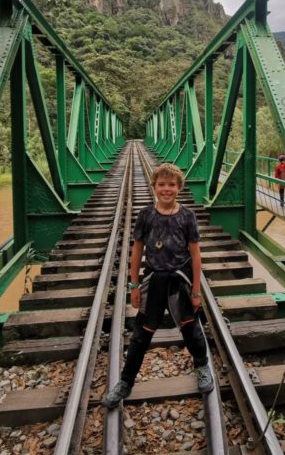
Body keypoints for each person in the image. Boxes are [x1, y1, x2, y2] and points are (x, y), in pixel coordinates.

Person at [101, 163, 214, 408]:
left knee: (190, 328)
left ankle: (202, 367)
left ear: (179, 188)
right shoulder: (146, 215)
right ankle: (125, 382)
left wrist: (196, 291)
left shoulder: (187, 216)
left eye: (171, 185)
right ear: (154, 186)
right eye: (162, 184)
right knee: (141, 335)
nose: (166, 189)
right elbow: (136, 250)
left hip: (180, 281)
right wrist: (133, 286)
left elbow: (196, 256)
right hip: (153, 281)